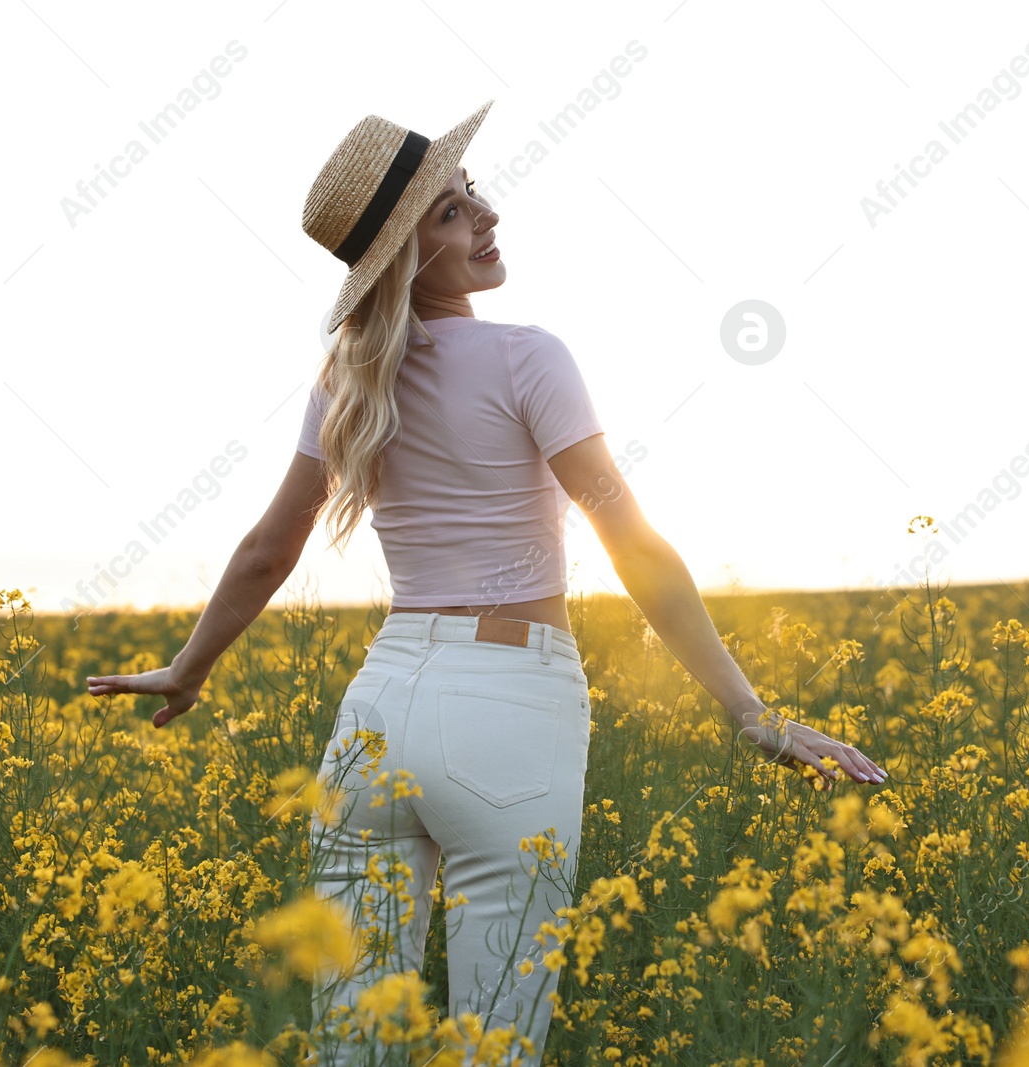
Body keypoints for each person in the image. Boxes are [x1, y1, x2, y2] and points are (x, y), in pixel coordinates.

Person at [86, 99, 887, 1064]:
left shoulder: (345, 379)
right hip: (510, 701)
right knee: (495, 1043)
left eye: (469, 195)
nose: (488, 213)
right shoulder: (526, 356)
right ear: (406, 256)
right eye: (454, 212)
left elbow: (269, 547)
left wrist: (188, 668)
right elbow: (632, 544)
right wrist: (753, 711)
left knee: (355, 1046)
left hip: (376, 709)